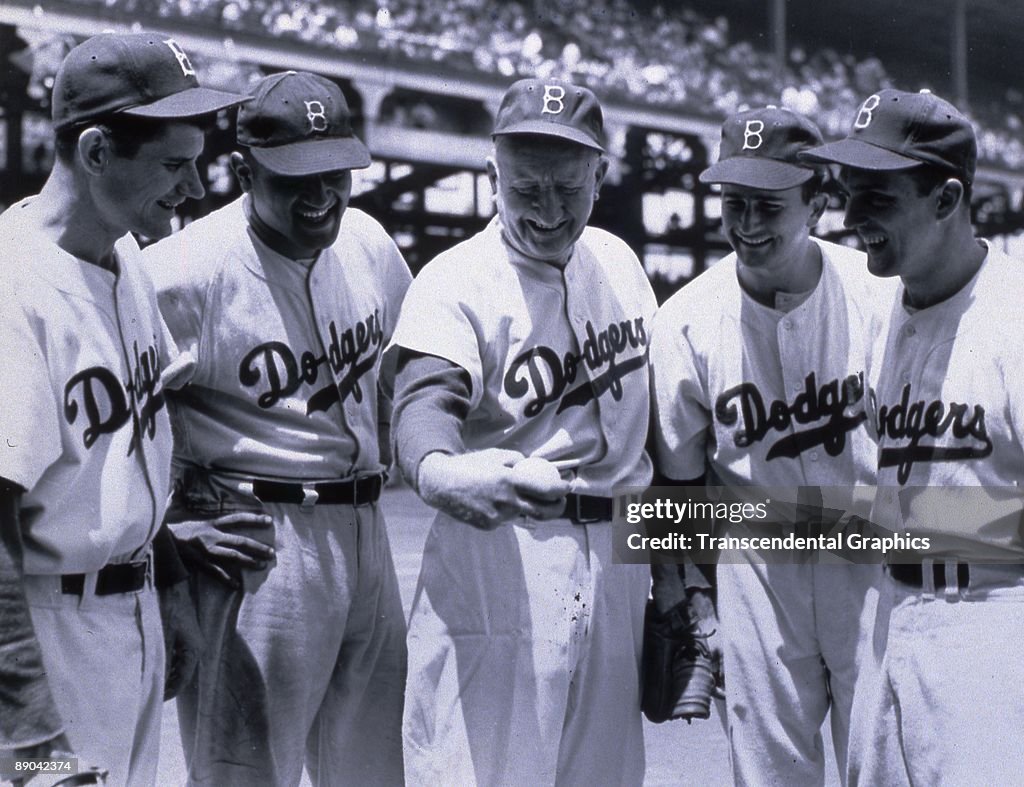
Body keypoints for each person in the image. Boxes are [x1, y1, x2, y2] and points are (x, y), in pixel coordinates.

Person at [142, 70, 411, 786]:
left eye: (335, 172)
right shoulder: (180, 271)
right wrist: (160, 536)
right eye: (296, 177)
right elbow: (104, 434)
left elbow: (399, 378)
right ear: (242, 169)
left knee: (373, 771)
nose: (322, 194)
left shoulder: (371, 243)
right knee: (245, 771)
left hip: (367, 529)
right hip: (260, 544)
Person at [389, 77, 656, 785]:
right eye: (525, 189)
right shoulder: (456, 281)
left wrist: (685, 584)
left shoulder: (621, 264)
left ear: (601, 174)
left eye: (568, 189)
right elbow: (423, 403)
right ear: (492, 174)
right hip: (507, 555)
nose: (546, 210)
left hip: (621, 559)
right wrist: (443, 472)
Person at [0, 32, 243, 785]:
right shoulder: (15, 285)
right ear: (97, 151)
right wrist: (34, 738)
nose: (196, 188)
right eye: (174, 164)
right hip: (47, 638)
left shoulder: (123, 251)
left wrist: (165, 577)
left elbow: (132, 443)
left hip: (122, 618)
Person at [648, 106, 894, 784]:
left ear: (818, 200)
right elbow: (676, 485)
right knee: (769, 775)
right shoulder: (686, 321)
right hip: (757, 574)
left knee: (887, 766)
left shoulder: (883, 297)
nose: (747, 226)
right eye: (734, 204)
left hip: (872, 564)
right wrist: (692, 596)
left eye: (767, 205)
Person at [803, 88, 1024, 786]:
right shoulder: (883, 313)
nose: (851, 218)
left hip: (991, 627)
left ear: (946, 198)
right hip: (891, 619)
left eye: (877, 197)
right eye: (847, 192)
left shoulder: (1014, 318)